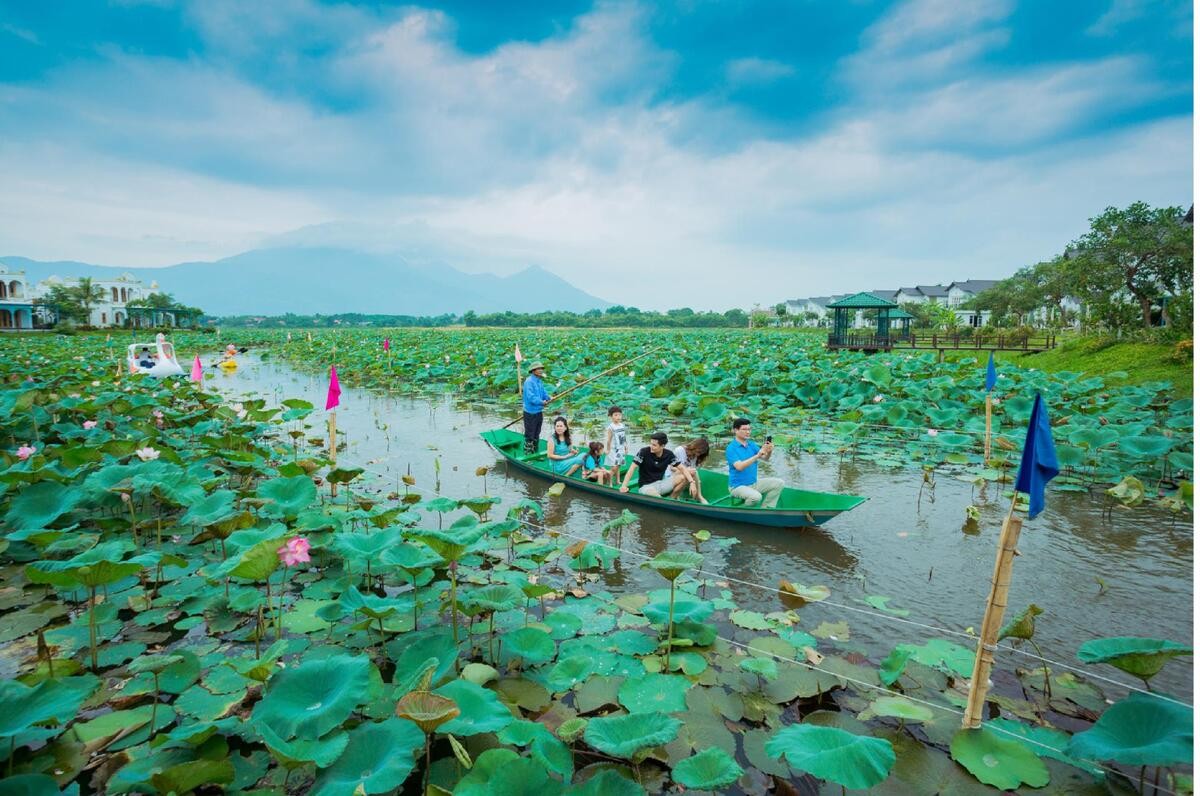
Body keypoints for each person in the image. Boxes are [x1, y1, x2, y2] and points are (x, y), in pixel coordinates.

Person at [726, 418, 784, 508]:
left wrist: (769, 451)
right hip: (737, 487)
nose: (748, 432)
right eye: (744, 429)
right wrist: (757, 456)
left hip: (753, 484)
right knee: (756, 497)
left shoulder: (751, 445)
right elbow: (739, 467)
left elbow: (765, 459)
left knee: (779, 483)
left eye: (749, 429)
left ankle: (766, 509)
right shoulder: (731, 448)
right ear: (735, 430)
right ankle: (742, 511)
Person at [619, 431, 677, 496]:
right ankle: (663, 502)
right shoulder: (644, 452)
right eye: (651, 444)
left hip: (659, 483)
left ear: (662, 446)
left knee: (683, 477)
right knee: (654, 494)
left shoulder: (668, 453)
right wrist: (624, 486)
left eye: (654, 445)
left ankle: (673, 498)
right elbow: (632, 468)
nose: (651, 446)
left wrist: (691, 482)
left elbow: (681, 467)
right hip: (646, 486)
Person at [522, 362, 553, 454]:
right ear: (533, 371)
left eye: (541, 368)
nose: (540, 370)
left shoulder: (539, 381)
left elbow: (543, 393)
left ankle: (535, 452)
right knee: (530, 434)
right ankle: (528, 453)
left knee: (537, 432)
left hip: (538, 411)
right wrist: (541, 402)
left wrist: (548, 397)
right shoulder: (529, 382)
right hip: (530, 412)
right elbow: (531, 397)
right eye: (538, 369)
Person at [669, 437, 710, 503]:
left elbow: (695, 469)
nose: (698, 454)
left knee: (693, 472)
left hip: (689, 478)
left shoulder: (698, 456)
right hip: (674, 476)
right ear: (693, 447)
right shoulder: (679, 450)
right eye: (698, 452)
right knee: (692, 472)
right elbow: (671, 468)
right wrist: (686, 470)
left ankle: (698, 496)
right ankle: (699, 496)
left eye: (701, 453)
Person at [603, 406, 628, 481]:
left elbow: (624, 437)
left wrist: (626, 448)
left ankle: (618, 481)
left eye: (620, 415)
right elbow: (608, 440)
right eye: (616, 415)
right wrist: (607, 450)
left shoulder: (622, 425)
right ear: (611, 416)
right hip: (613, 449)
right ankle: (605, 480)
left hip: (621, 449)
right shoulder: (611, 427)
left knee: (619, 465)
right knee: (614, 467)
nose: (618, 417)